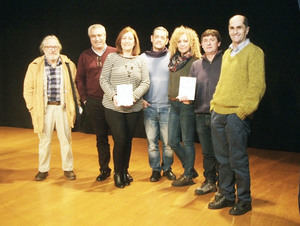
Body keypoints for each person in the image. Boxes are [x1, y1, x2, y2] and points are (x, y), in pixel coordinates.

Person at [208, 15, 266, 215]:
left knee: (237, 160)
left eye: (239, 27)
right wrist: (214, 105)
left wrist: (242, 112)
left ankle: (244, 199)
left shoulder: (255, 52)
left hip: (236, 116)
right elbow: (222, 82)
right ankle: (226, 195)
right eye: (231, 27)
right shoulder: (227, 54)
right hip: (219, 113)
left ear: (247, 29)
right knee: (222, 159)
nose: (235, 31)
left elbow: (257, 86)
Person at [23, 35, 78, 181]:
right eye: (48, 47)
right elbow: (28, 89)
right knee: (44, 140)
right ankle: (43, 169)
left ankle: (68, 168)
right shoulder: (34, 65)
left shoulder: (68, 64)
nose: (52, 49)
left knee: (66, 139)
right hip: (44, 109)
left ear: (59, 48)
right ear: (43, 49)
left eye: (55, 46)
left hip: (63, 108)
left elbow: (75, 87)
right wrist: (32, 108)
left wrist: (76, 104)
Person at [100, 26, 150, 188]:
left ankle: (125, 170)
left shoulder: (141, 60)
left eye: (130, 38)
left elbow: (146, 82)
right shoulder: (112, 58)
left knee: (128, 140)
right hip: (113, 107)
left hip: (133, 108)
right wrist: (113, 96)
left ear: (135, 42)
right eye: (124, 38)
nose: (127, 41)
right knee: (120, 139)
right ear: (119, 41)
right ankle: (117, 172)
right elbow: (103, 80)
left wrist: (134, 97)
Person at [75, 24, 116, 182]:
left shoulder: (114, 52)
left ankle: (121, 169)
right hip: (94, 103)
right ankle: (104, 169)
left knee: (119, 137)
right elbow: (80, 79)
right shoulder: (84, 55)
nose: (97, 38)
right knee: (101, 138)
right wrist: (85, 99)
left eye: (100, 35)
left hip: (114, 101)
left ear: (105, 35)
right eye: (94, 36)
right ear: (90, 38)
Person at [167, 26, 201, 187]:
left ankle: (188, 174)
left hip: (187, 106)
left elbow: (199, 85)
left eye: (185, 41)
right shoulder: (173, 61)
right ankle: (190, 167)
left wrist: (190, 98)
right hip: (173, 104)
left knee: (187, 141)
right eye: (179, 41)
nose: (182, 44)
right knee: (172, 141)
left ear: (192, 42)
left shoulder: (196, 61)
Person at [141, 26, 176, 182]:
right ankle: (155, 169)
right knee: (152, 143)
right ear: (151, 38)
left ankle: (167, 168)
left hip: (168, 108)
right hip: (149, 107)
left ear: (167, 40)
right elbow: (136, 80)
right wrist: (139, 99)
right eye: (157, 36)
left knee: (168, 143)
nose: (160, 39)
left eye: (163, 37)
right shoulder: (142, 58)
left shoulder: (173, 57)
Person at [190, 29, 222, 195]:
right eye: (206, 40)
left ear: (219, 43)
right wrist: (186, 97)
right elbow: (190, 89)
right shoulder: (196, 65)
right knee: (207, 152)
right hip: (201, 114)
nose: (209, 43)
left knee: (222, 152)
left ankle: (225, 185)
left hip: (221, 113)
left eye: (212, 39)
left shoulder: (226, 60)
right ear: (201, 44)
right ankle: (210, 181)